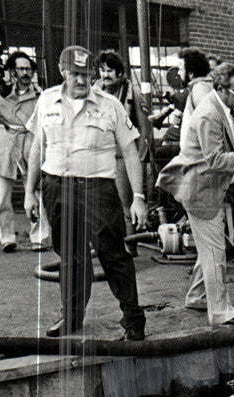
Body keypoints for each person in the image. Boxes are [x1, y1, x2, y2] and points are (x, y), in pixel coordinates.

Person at [25, 45, 147, 340]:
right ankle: (72, 317)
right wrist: (30, 191)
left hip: (99, 189)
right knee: (70, 256)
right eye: (74, 74)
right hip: (58, 187)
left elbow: (130, 153)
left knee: (113, 254)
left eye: (86, 74)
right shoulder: (46, 100)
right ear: (61, 70)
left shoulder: (110, 105)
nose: (81, 80)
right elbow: (37, 148)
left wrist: (139, 199)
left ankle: (133, 319)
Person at [156, 63, 234, 326]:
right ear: (221, 89)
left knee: (208, 248)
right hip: (201, 190)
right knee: (215, 252)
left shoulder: (224, 107)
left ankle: (198, 296)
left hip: (209, 187)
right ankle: (221, 313)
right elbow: (215, 159)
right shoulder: (209, 115)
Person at [0, 50, 50, 252]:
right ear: (12, 71)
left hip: (30, 143)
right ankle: (7, 238)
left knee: (36, 191)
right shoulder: (0, 92)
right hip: (4, 145)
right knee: (2, 195)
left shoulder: (40, 95)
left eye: (28, 68)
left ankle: (39, 237)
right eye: (21, 68)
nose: (25, 73)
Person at [95, 49, 152, 253]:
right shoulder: (95, 92)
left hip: (122, 155)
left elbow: (145, 127)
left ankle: (130, 244)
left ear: (120, 73)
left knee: (124, 201)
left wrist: (142, 156)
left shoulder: (132, 94)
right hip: (99, 155)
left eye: (110, 71)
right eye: (102, 71)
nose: (105, 75)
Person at [177, 47, 212, 143]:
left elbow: (208, 124)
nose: (178, 73)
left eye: (180, 69)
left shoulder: (200, 88)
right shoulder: (199, 87)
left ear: (191, 73)